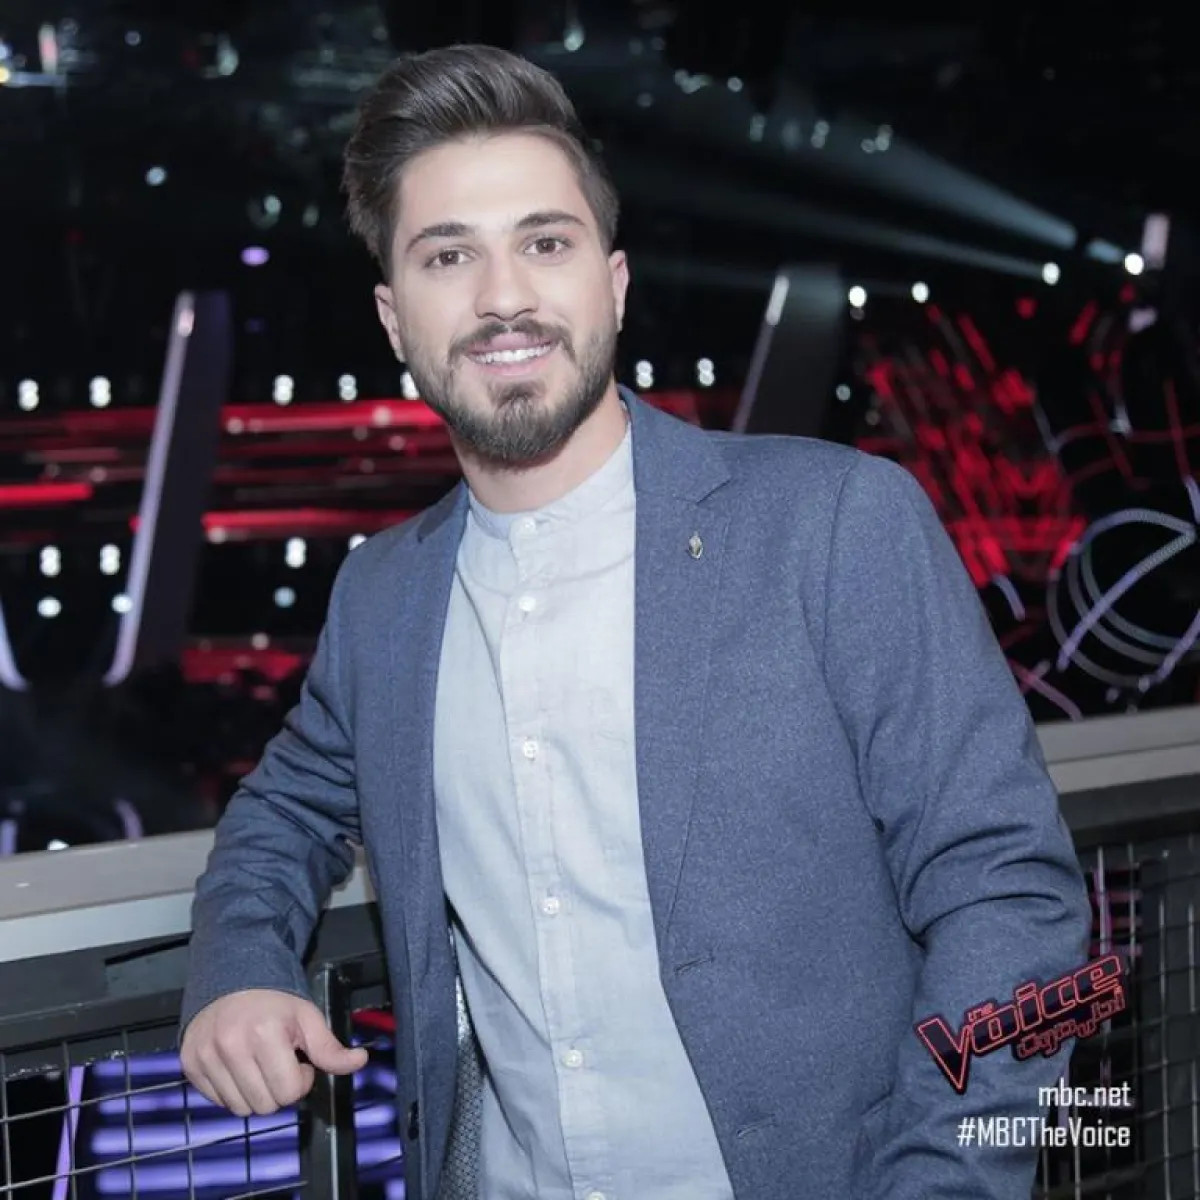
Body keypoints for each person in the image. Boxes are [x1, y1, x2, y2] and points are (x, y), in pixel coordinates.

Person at [179, 43, 1093, 1200]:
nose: (503, 296)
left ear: (612, 285)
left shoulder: (831, 523)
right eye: (448, 256)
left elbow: (1011, 898)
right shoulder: (384, 596)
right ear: (394, 319)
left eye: (545, 243)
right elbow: (284, 811)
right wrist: (238, 968)